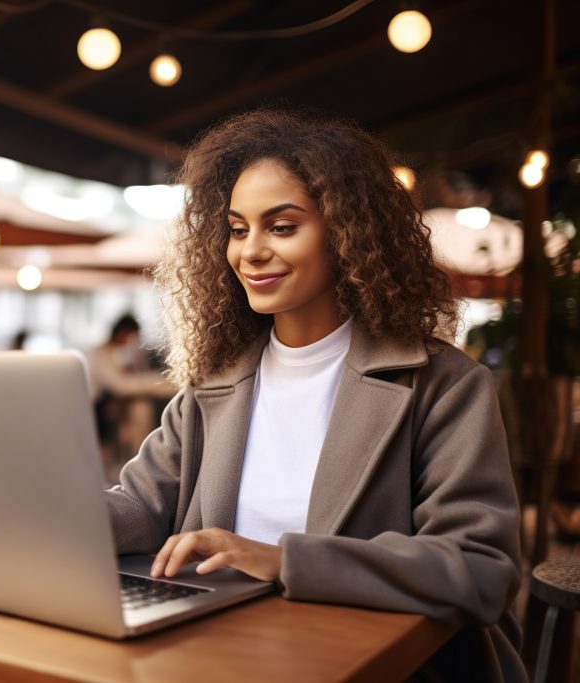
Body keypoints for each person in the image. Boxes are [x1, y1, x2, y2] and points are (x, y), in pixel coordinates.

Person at [105, 110, 524, 682]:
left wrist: (283, 560)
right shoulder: (214, 383)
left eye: (282, 226)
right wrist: (42, 512)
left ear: (348, 233)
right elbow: (142, 507)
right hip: (220, 655)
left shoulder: (443, 385)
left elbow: (480, 570)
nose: (250, 251)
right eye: (236, 228)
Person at [87, 314, 176, 481]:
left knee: (141, 407)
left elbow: (128, 380)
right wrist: (159, 383)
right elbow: (119, 385)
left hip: (117, 405)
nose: (131, 340)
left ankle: (137, 465)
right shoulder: (98, 354)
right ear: (121, 332)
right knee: (140, 407)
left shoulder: (122, 352)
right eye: (130, 336)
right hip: (99, 407)